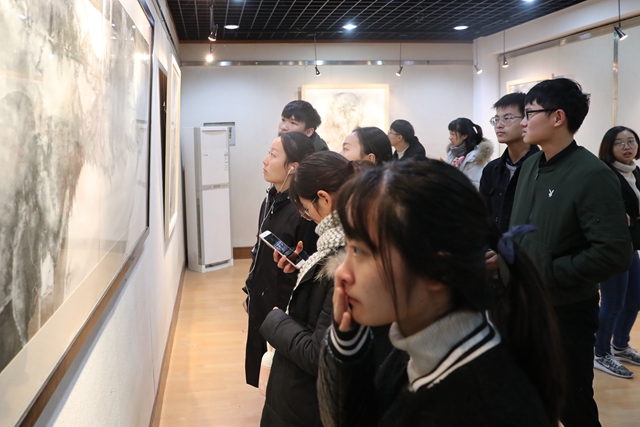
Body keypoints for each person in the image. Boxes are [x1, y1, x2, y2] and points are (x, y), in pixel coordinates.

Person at [317, 159, 564, 427]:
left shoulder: (488, 405)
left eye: (360, 251)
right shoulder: (417, 341)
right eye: (348, 248)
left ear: (438, 269)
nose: (342, 272)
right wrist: (346, 342)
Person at [507, 78, 633, 427]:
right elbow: (526, 231)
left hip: (565, 311)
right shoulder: (531, 164)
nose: (522, 122)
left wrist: (545, 271)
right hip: (525, 303)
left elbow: (613, 253)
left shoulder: (592, 174)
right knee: (530, 395)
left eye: (529, 113)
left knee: (572, 403)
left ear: (558, 117)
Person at [259, 152, 371, 426]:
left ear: (324, 198)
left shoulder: (344, 259)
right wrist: (305, 268)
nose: (307, 217)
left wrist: (274, 320)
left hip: (309, 402)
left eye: (306, 208)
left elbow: (318, 355)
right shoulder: (338, 244)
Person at [243, 132, 318, 388]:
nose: (265, 160)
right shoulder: (271, 199)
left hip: (285, 306)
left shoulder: (304, 213)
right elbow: (259, 252)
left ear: (293, 167)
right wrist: (250, 290)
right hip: (263, 296)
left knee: (282, 373)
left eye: (273, 155)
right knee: (263, 364)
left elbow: (309, 265)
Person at [594, 126, 640, 379]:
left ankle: (620, 346)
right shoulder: (604, 173)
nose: (626, 147)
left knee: (635, 299)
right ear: (608, 147)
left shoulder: (635, 172)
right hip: (611, 248)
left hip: (631, 246)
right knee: (613, 302)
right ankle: (600, 352)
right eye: (619, 143)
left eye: (631, 141)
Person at [446, 117, 493, 189]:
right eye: (450, 134)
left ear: (464, 136)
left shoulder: (475, 158)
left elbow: (475, 187)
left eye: (453, 134)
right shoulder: (452, 152)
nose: (450, 138)